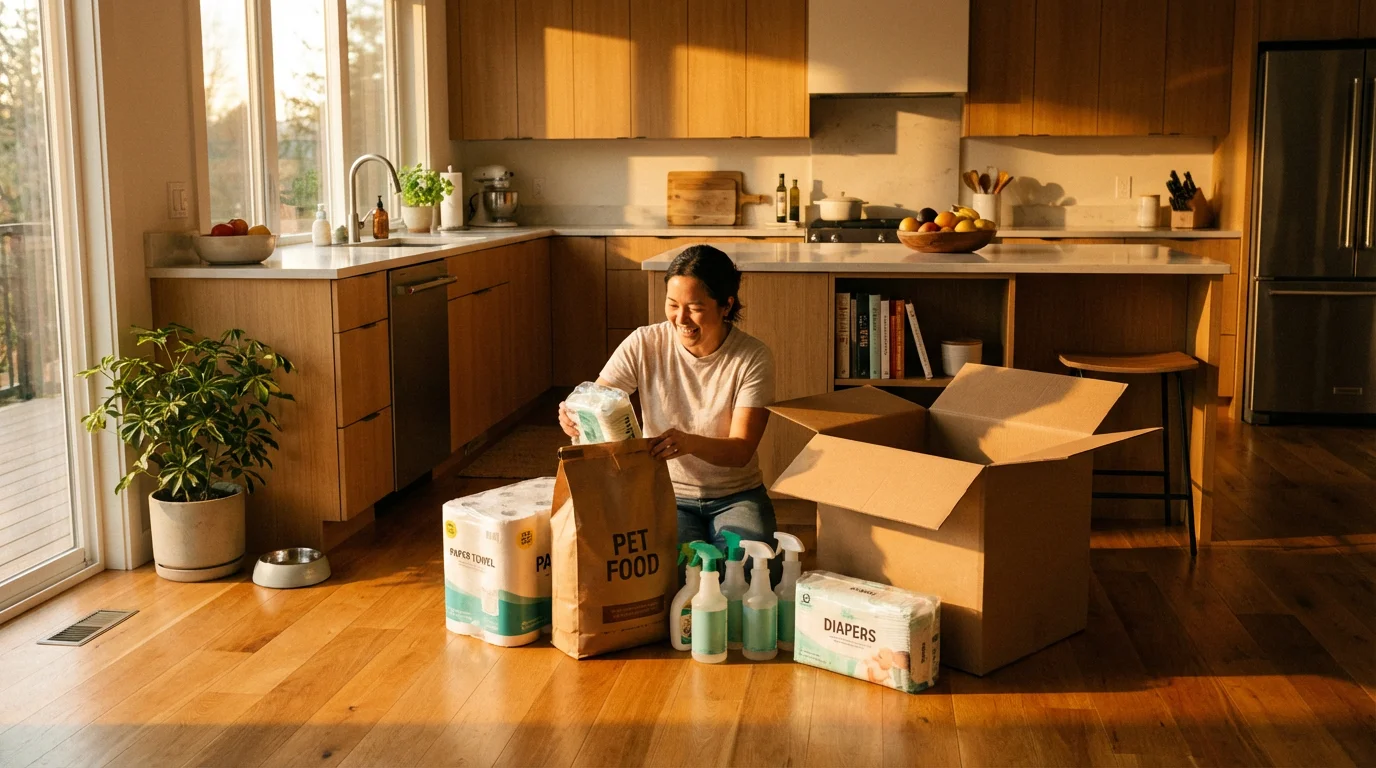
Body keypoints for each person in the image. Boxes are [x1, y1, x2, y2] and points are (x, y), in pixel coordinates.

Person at [557, 244, 776, 561]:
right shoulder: (644, 343)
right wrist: (574, 414)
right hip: (664, 490)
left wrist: (689, 443)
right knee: (671, 571)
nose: (681, 318)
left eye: (695, 308)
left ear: (726, 305)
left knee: (742, 569)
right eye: (673, 305)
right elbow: (598, 397)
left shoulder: (752, 357)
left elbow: (741, 450)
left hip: (736, 495)